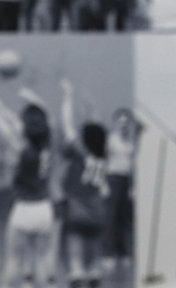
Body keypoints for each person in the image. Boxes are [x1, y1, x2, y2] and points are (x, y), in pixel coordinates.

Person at [0, 93, 55, 288]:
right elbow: (37, 120)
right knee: (41, 260)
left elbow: (7, 131)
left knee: (14, 260)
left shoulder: (22, 151)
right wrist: (1, 107)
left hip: (24, 208)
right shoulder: (48, 145)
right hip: (45, 209)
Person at [59, 79, 110, 288]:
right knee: (94, 241)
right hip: (97, 206)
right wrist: (93, 110)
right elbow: (99, 132)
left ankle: (77, 271)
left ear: (84, 138)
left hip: (77, 205)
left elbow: (67, 125)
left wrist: (68, 96)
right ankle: (94, 270)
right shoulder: (104, 155)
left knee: (75, 239)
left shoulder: (80, 152)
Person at [101, 107, 142, 270]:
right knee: (110, 218)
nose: (124, 125)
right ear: (116, 123)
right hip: (113, 178)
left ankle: (122, 252)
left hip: (125, 180)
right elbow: (104, 161)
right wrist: (104, 183)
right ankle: (108, 254)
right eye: (121, 122)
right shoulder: (111, 140)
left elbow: (132, 164)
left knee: (123, 219)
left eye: (126, 123)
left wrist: (132, 187)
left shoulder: (130, 141)